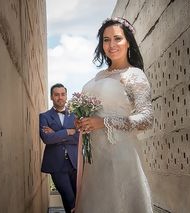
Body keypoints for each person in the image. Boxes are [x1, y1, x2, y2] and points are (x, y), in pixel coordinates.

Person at [75, 17, 153, 212]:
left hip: (121, 157)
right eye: (106, 39)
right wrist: (83, 122)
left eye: (117, 38)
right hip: (94, 161)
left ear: (128, 42)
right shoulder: (99, 76)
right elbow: (95, 113)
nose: (111, 45)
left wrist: (104, 122)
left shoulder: (134, 75)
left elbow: (147, 118)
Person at [39, 83, 79, 213]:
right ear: (51, 97)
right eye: (56, 95)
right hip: (56, 165)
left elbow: (79, 138)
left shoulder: (75, 115)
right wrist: (68, 132)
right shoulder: (44, 117)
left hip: (75, 163)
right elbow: (47, 139)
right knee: (69, 199)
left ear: (66, 96)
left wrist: (56, 134)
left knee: (79, 198)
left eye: (62, 94)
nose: (60, 97)